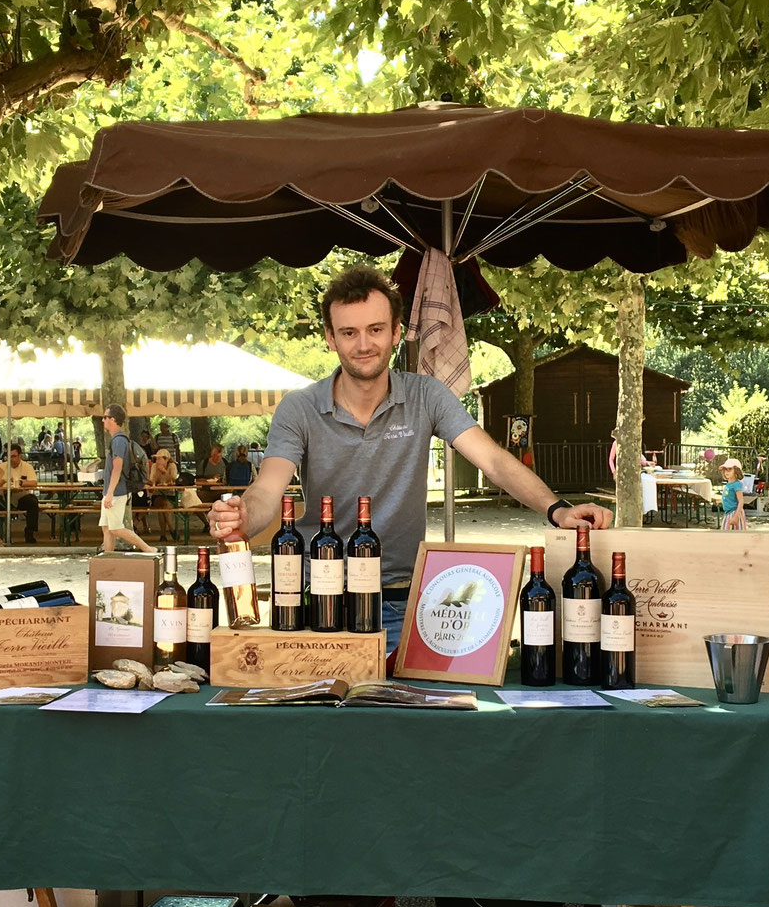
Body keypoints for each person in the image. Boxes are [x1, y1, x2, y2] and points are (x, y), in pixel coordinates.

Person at [208, 265, 613, 653]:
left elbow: (493, 460)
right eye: (349, 332)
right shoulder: (299, 408)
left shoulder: (426, 395)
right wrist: (242, 516)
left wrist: (557, 509)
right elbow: (268, 488)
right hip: (321, 600)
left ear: (397, 332)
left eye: (375, 329)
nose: (363, 344)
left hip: (405, 601)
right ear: (330, 338)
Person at [98, 402, 151, 554]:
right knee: (107, 527)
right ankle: (107, 559)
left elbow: (117, 468)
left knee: (115, 528)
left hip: (116, 491)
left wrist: (109, 493)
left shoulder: (119, 440)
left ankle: (147, 548)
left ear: (113, 419)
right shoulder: (118, 440)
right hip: (113, 490)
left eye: (105, 417)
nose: (103, 420)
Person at [2, 440, 40, 544]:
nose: (11, 459)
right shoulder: (1, 467)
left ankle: (30, 531)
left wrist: (21, 483)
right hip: (4, 497)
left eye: (13, 456)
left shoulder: (27, 467)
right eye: (9, 456)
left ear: (20, 456)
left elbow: (34, 483)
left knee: (33, 502)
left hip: (21, 497)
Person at [718, 456, 749, 532]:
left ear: (736, 471)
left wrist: (736, 517)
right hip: (728, 513)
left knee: (734, 535)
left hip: (734, 512)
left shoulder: (736, 484)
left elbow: (741, 501)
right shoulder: (728, 484)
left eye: (729, 469)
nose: (726, 472)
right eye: (725, 470)